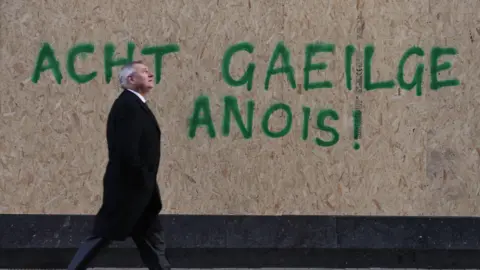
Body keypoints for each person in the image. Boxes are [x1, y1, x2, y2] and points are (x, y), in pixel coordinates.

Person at [68, 60, 171, 270]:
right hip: (129, 189)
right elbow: (126, 150)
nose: (150, 74)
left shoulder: (135, 105)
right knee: (103, 236)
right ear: (131, 80)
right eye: (144, 72)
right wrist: (142, 178)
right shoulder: (128, 106)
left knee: (152, 239)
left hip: (140, 189)